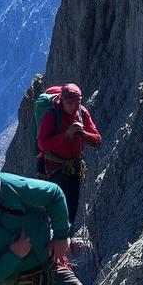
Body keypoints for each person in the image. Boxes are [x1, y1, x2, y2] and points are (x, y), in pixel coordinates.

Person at [36, 83, 102, 226]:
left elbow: (97, 139)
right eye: (70, 103)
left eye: (77, 103)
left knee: (71, 208)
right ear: (62, 100)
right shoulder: (52, 116)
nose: (74, 107)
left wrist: (83, 134)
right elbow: (42, 144)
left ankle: (65, 240)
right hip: (53, 169)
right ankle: (57, 239)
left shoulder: (82, 113)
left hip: (74, 167)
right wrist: (66, 135)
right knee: (57, 208)